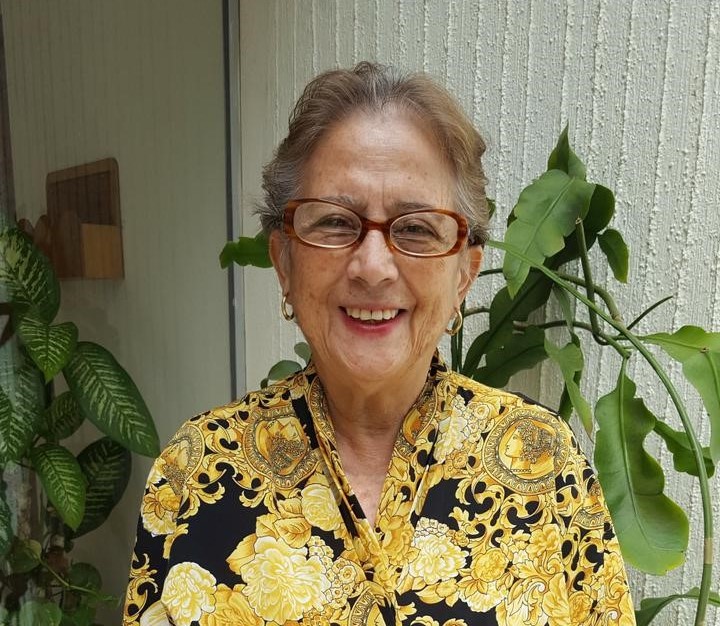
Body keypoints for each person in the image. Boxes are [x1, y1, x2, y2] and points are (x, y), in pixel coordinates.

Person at [123, 62, 636, 626]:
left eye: (415, 228)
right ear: (284, 262)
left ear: (464, 275)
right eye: (335, 223)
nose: (372, 266)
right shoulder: (198, 467)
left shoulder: (541, 459)